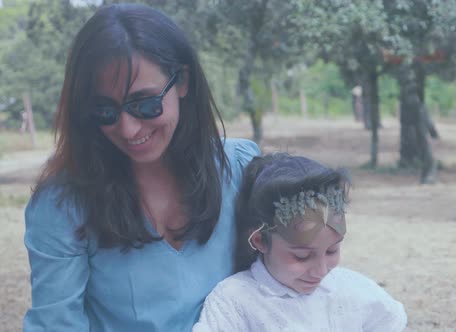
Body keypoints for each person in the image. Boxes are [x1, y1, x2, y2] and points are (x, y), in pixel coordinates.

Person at [23, 4, 259, 331]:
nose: (128, 129)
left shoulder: (241, 167)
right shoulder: (63, 205)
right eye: (104, 111)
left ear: (182, 82)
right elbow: (56, 324)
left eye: (144, 104)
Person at [192, 153, 408, 332]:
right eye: (302, 256)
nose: (320, 270)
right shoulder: (235, 301)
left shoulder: (355, 291)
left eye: (332, 251)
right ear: (260, 240)